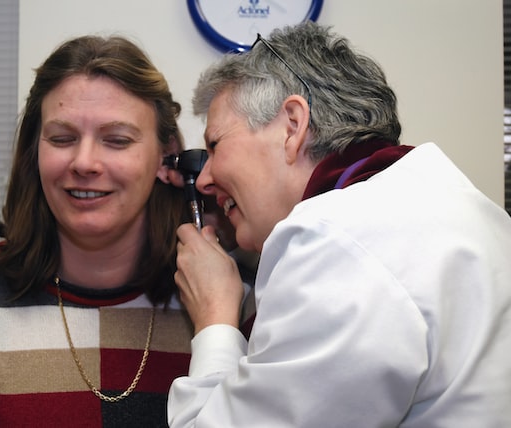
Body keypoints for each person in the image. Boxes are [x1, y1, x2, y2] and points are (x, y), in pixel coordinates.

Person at [167, 21, 511, 427]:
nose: (204, 180)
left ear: (292, 125)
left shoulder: (338, 248)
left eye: (215, 145)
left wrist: (214, 318)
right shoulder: (462, 207)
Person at [0, 34, 194, 427]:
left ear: (165, 155)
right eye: (62, 138)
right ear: (34, 151)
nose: (84, 162)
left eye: (117, 140)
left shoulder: (221, 301)